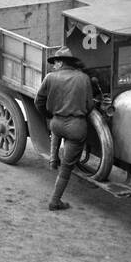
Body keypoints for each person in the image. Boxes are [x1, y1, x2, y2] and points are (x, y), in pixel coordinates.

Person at [35, 46, 95, 211]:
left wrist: (49, 115)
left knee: (56, 131)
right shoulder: (83, 78)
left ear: (61, 63)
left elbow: (38, 101)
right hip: (76, 127)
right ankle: (55, 201)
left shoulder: (50, 78)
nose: (53, 65)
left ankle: (53, 159)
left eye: (55, 62)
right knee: (67, 168)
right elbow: (90, 105)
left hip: (56, 123)